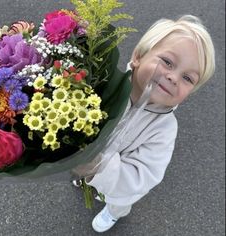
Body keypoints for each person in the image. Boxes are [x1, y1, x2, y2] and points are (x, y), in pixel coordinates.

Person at [72, 14, 215, 233]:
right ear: (138, 56)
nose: (174, 77)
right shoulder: (106, 84)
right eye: (167, 62)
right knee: (86, 177)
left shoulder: (164, 130)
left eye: (188, 78)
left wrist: (96, 169)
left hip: (117, 187)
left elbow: (141, 177)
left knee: (119, 202)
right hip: (87, 164)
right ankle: (87, 181)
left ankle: (113, 213)